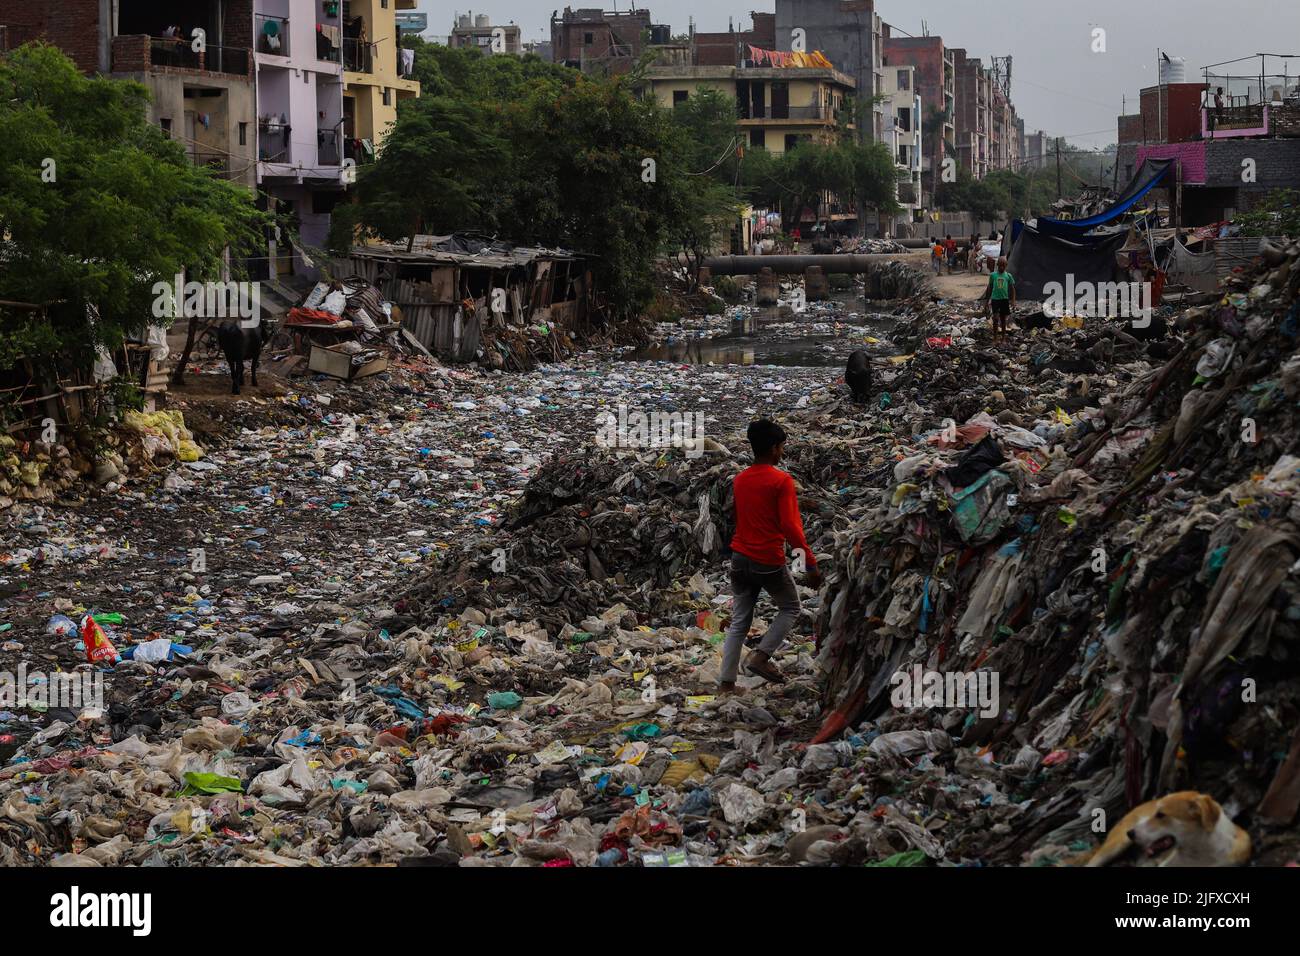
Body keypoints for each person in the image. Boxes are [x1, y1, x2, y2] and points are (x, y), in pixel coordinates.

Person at [718, 420, 821, 693]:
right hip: (767, 559)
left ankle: (726, 684)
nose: (783, 452)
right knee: (790, 608)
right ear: (775, 448)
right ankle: (761, 656)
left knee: (740, 620)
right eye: (782, 447)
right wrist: (809, 564)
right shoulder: (781, 481)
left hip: (739, 557)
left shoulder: (740, 479)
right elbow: (791, 528)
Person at [982, 256, 1016, 338]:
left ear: (1006, 265)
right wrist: (987, 302)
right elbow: (989, 288)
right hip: (995, 299)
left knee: (1003, 319)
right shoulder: (993, 275)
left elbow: (1012, 289)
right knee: (996, 319)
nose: (1002, 267)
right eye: (1000, 265)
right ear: (997, 265)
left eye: (1003, 265)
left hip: (1004, 299)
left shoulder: (1008, 276)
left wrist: (1013, 300)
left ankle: (1003, 338)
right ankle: (995, 338)